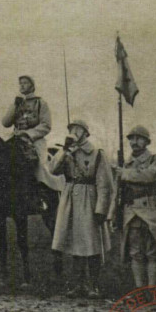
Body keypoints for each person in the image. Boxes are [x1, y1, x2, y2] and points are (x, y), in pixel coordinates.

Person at [50, 120, 113, 298]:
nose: (74, 132)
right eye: (71, 129)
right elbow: (53, 170)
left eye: (78, 130)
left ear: (86, 133)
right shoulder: (66, 151)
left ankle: (94, 285)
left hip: (89, 199)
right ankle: (78, 284)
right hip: (70, 198)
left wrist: (101, 208)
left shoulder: (96, 154)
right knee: (75, 243)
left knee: (91, 243)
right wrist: (64, 151)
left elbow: (104, 184)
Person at [114, 126, 156, 287]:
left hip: (152, 211)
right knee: (135, 253)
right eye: (131, 139)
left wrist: (125, 174)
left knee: (153, 253)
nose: (134, 142)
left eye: (139, 138)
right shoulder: (125, 163)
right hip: (131, 212)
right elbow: (118, 191)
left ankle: (153, 291)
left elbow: (153, 175)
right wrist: (114, 213)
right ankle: (140, 291)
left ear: (147, 141)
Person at [1, 75, 64, 192]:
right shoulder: (17, 102)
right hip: (16, 139)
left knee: (39, 167)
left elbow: (46, 125)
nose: (22, 85)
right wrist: (15, 105)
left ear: (32, 86)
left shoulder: (40, 103)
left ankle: (44, 192)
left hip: (35, 141)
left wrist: (28, 134)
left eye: (25, 83)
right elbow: (5, 123)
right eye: (20, 83)